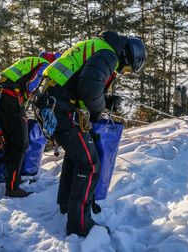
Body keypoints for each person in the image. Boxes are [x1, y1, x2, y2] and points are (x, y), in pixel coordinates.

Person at [40, 31, 146, 237]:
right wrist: (98, 111)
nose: (122, 71)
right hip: (60, 108)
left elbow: (80, 81)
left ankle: (67, 205)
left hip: (54, 103)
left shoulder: (99, 46)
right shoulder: (109, 54)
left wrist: (105, 101)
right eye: (126, 68)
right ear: (128, 55)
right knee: (90, 164)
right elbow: (89, 88)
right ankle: (80, 223)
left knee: (77, 156)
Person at [0, 52, 59, 197]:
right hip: (10, 101)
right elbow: (33, 89)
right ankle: (12, 188)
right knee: (20, 146)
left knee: (10, 144)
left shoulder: (28, 61)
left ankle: (7, 180)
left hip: (1, 99)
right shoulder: (43, 65)